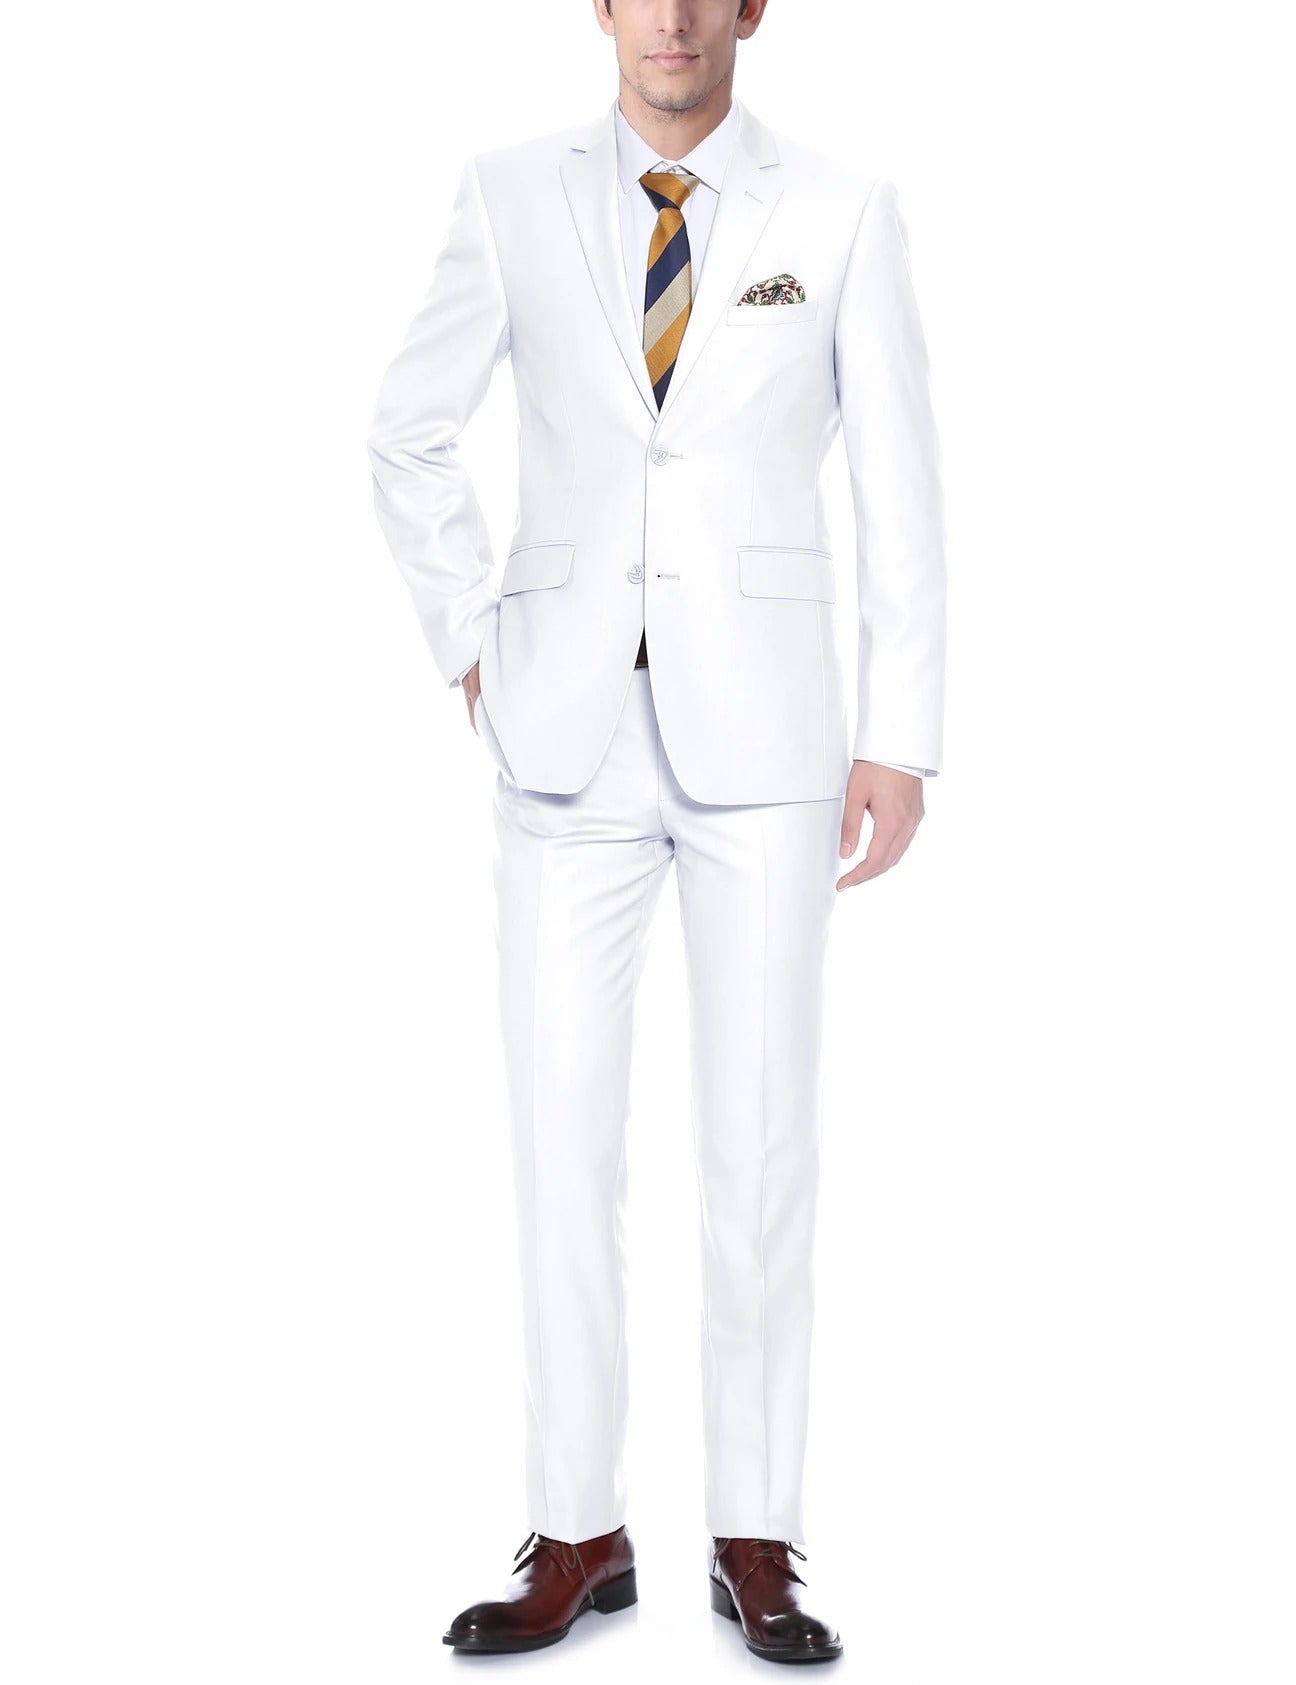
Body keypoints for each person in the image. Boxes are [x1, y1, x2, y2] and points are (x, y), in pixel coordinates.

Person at [366, 0, 944, 1662]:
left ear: (753, 9)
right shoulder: (506, 192)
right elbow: (405, 429)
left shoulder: (842, 207)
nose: (674, 18)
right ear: (603, 8)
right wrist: (471, 638)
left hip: (768, 735)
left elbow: (901, 482)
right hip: (560, 733)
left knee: (760, 1146)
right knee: (561, 1140)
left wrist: (900, 733)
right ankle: (577, 1527)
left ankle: (754, 1532)